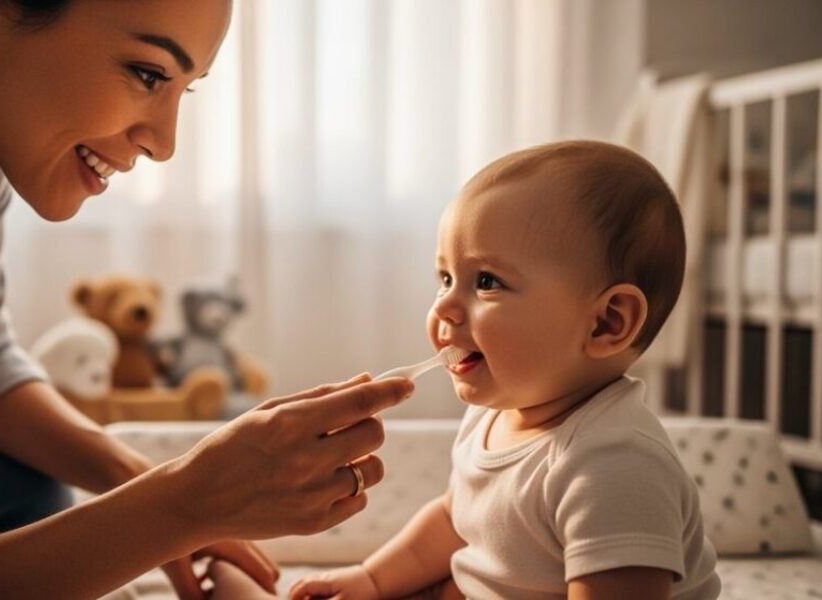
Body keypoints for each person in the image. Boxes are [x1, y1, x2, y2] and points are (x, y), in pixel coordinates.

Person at [0, 0, 415, 598]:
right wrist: (178, 508)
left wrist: (140, 483)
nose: (164, 143)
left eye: (185, 88)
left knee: (28, 503)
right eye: (148, 73)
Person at [214, 140, 722, 599]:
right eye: (445, 277)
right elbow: (455, 522)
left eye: (486, 281)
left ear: (607, 323)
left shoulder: (613, 466)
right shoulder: (497, 414)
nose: (444, 309)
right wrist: (371, 579)